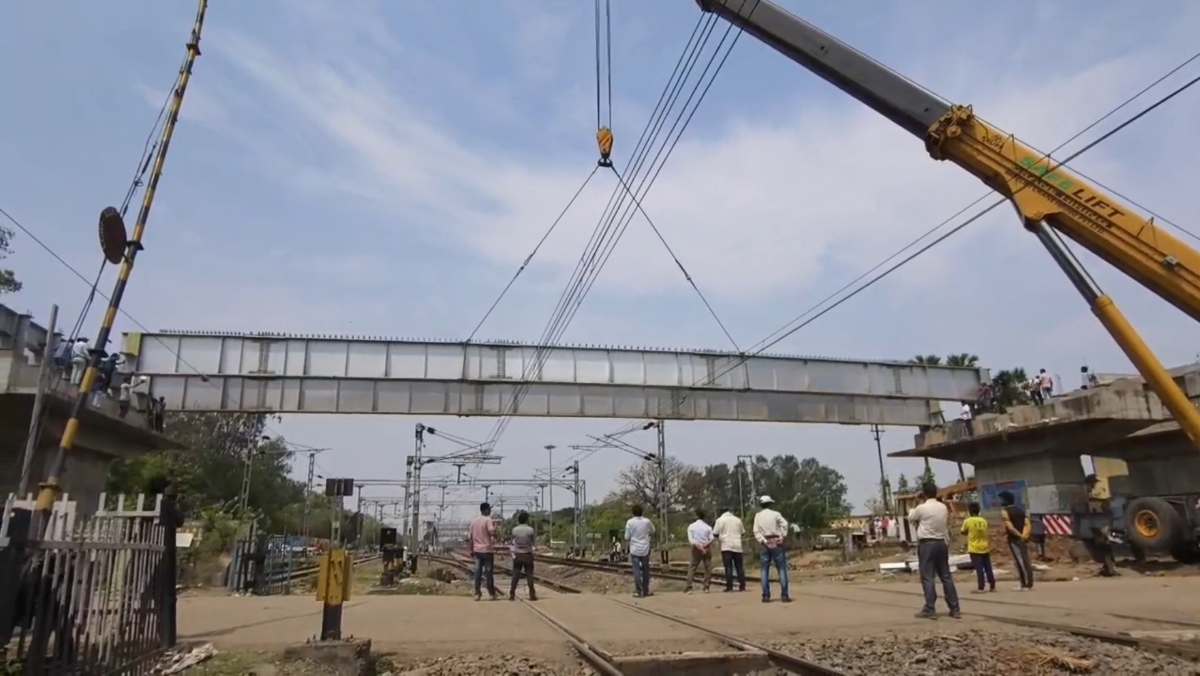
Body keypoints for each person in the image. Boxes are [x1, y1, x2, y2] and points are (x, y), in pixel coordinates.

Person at [908, 482, 960, 619]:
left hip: (927, 544)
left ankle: (930, 608)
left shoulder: (921, 508)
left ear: (924, 494)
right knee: (946, 576)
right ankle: (955, 608)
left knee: (928, 577)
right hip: (941, 543)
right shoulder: (943, 507)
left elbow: (911, 517)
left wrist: (916, 500)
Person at [753, 495, 791, 603]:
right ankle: (784, 595)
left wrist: (764, 541)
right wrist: (782, 537)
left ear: (761, 505)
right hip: (776, 542)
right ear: (770, 504)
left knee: (764, 570)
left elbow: (756, 531)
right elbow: (785, 524)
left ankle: (766, 596)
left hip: (764, 543)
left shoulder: (757, 516)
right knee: (782, 569)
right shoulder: (776, 514)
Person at [1000, 491, 1034, 590]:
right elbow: (1027, 524)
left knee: (1020, 561)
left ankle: (1026, 584)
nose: (1000, 501)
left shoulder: (1005, 511)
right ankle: (1025, 583)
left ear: (1006, 500)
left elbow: (1010, 527)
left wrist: (1019, 535)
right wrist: (1025, 535)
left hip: (1015, 539)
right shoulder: (1020, 510)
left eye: (1001, 499)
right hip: (1023, 538)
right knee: (1025, 560)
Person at [961, 502, 995, 593]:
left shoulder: (968, 521)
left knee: (979, 568)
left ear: (969, 511)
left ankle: (981, 587)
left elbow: (963, 531)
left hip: (974, 547)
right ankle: (992, 586)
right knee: (988, 567)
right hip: (985, 546)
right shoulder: (983, 520)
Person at [468, 502, 499, 601]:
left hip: (477, 551)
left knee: (477, 572)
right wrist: (495, 529)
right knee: (488, 572)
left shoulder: (473, 521)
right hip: (487, 550)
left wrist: (471, 549)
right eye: (489, 509)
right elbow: (492, 532)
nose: (490, 511)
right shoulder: (488, 520)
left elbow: (471, 538)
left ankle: (477, 594)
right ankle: (491, 594)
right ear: (485, 510)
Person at [624, 504, 655, 598]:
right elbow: (653, 530)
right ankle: (646, 590)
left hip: (634, 549)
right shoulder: (647, 521)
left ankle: (638, 591)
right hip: (645, 548)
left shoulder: (630, 522)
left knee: (636, 570)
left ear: (633, 513)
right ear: (642, 512)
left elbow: (626, 537)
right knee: (646, 570)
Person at [712, 506, 746, 592]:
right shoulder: (738, 520)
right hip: (737, 545)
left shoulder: (719, 520)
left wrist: (721, 537)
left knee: (728, 567)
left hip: (726, 546)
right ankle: (742, 586)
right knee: (739, 566)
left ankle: (729, 587)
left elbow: (715, 533)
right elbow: (742, 533)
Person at [509, 511, 538, 601]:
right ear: (526, 520)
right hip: (527, 554)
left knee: (515, 575)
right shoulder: (530, 530)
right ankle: (532, 594)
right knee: (529, 575)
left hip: (518, 555)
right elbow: (533, 542)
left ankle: (512, 594)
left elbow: (513, 541)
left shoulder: (514, 530)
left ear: (519, 520)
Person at [684, 509, 714, 593]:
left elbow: (691, 540)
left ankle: (689, 587)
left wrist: (699, 547)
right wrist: (705, 546)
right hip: (706, 548)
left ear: (696, 516)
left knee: (692, 567)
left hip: (696, 549)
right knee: (708, 567)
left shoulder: (691, 526)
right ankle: (706, 587)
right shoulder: (708, 527)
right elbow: (711, 538)